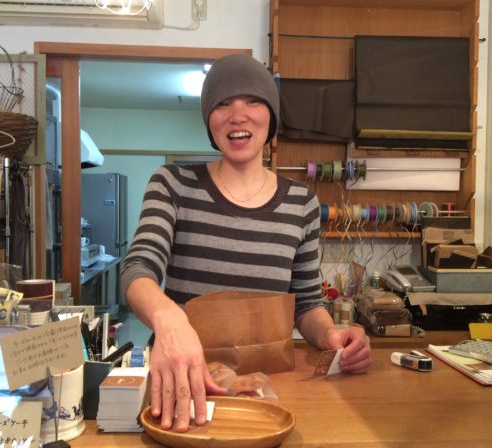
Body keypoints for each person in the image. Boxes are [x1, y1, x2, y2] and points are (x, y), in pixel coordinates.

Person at [120, 53, 371, 433]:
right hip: (184, 386)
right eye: (222, 103)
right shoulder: (172, 183)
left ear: (271, 115)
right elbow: (138, 267)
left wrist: (331, 335)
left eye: (253, 101)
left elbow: (306, 303)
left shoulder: (301, 203)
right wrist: (169, 318)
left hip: (267, 394)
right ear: (209, 120)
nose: (238, 116)